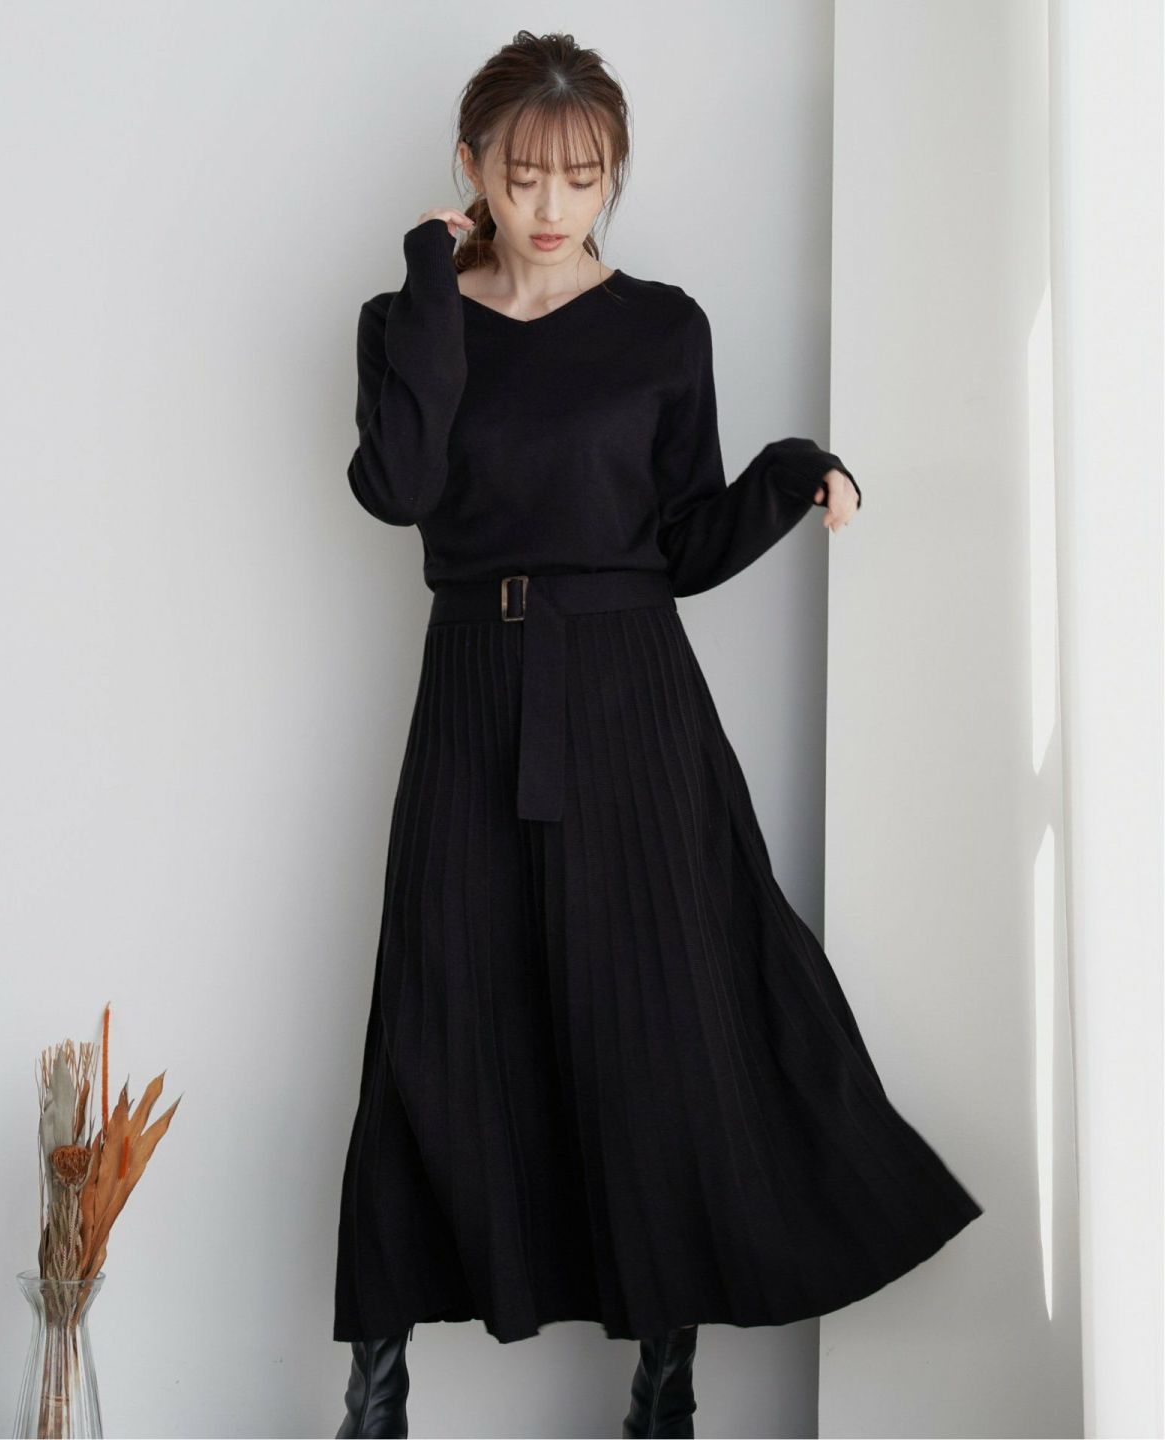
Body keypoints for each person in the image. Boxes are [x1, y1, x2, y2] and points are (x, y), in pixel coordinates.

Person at [332, 29, 983, 1440]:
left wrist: (789, 476)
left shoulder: (663, 328)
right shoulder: (407, 317)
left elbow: (680, 541)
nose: (552, 205)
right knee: (436, 1020)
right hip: (473, 689)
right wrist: (431, 278)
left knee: (657, 1020)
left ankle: (665, 1388)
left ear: (613, 174)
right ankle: (375, 1401)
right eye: (523, 174)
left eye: (583, 177)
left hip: (632, 694)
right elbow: (400, 487)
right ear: (471, 168)